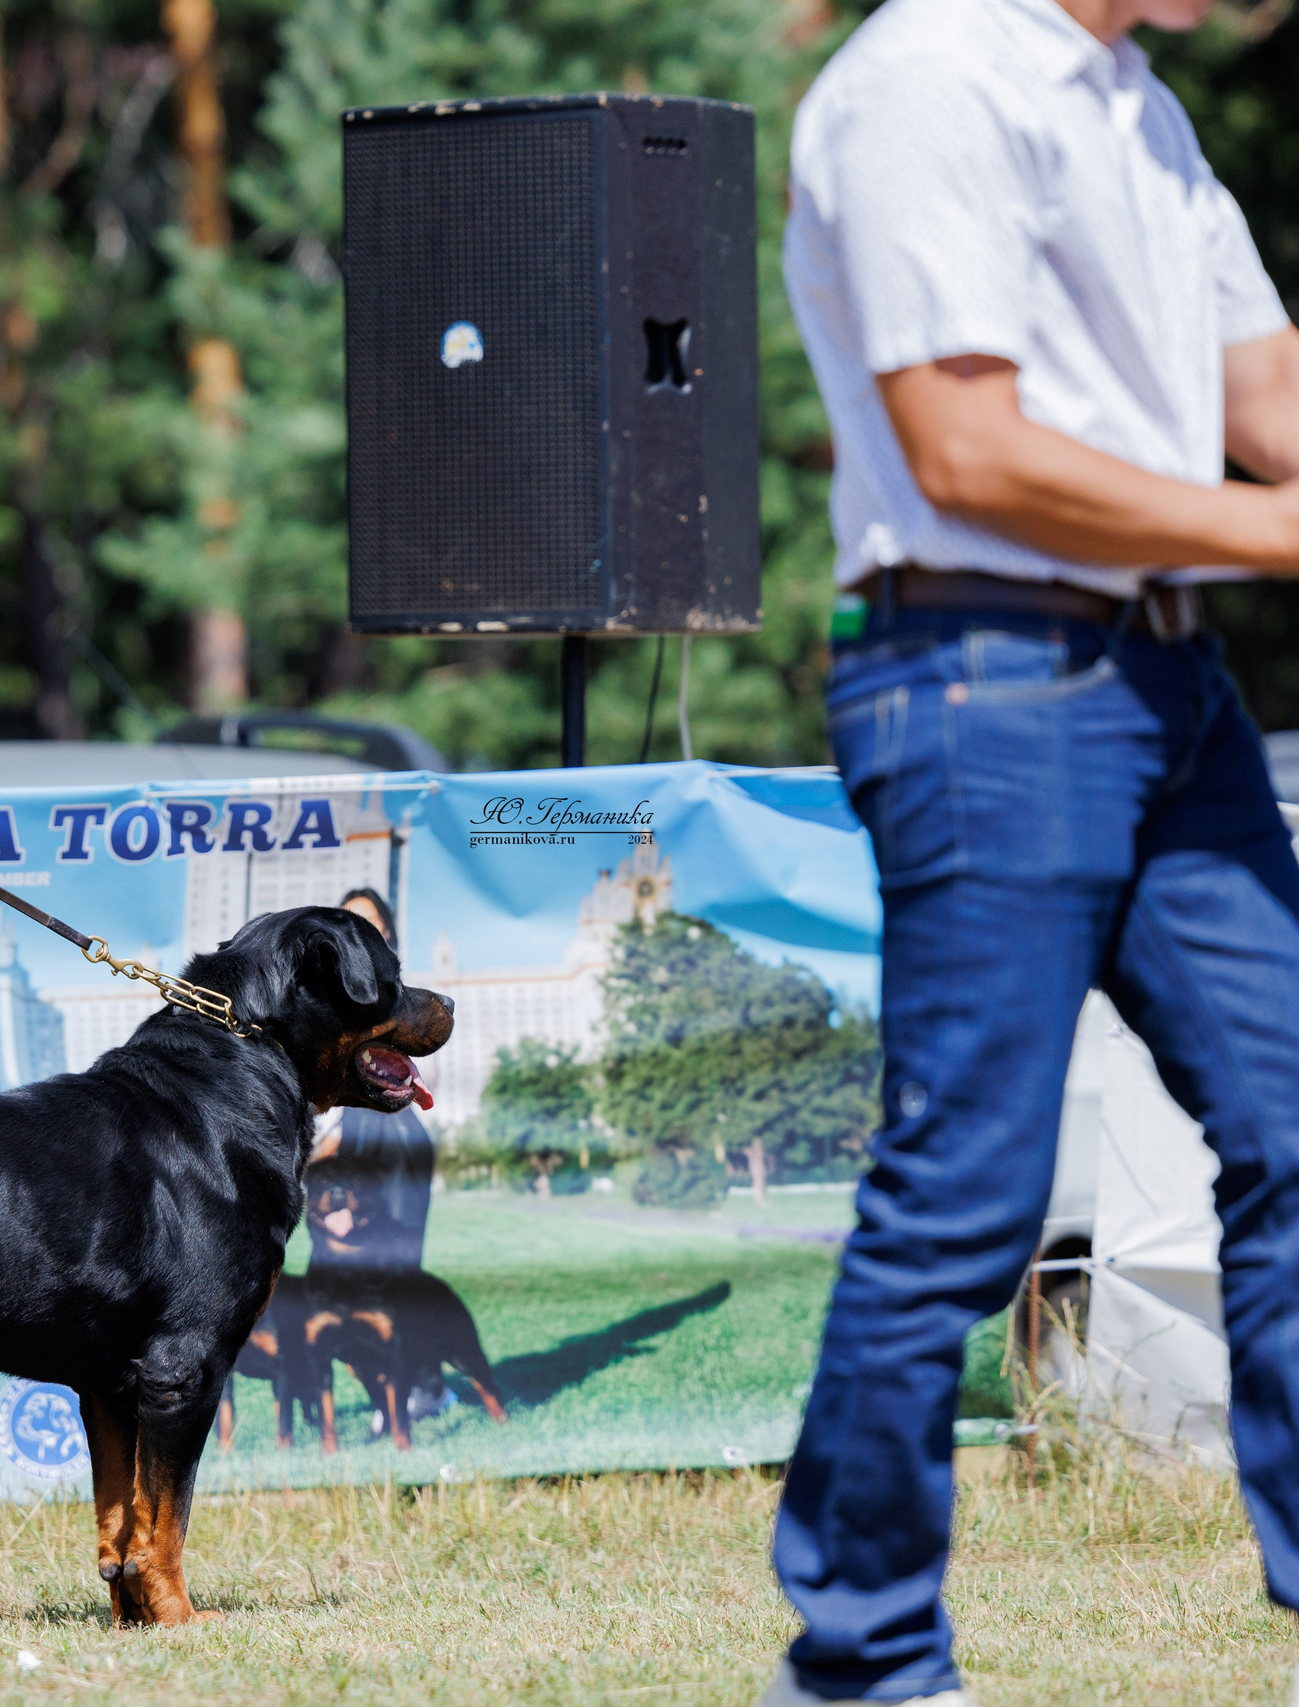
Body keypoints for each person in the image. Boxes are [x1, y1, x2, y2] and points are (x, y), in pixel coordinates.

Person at [772, 0, 1299, 1700]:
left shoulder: (1136, 106)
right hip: (984, 673)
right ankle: (864, 1666)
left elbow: (1272, 398)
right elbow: (965, 447)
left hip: (1166, 678)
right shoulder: (932, 77)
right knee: (966, 1197)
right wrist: (1274, 534)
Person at [302, 889, 435, 1279]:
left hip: (391, 1139)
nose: (356, 938)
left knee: (396, 1273)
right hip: (340, 1135)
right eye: (346, 927)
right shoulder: (314, 1001)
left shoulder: (408, 1006)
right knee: (332, 1266)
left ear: (388, 936)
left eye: (369, 927)